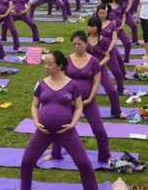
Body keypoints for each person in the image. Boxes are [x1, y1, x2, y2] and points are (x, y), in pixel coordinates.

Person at [9, 50, 106, 190]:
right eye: (45, 64)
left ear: (60, 66)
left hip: (66, 132)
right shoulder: (40, 84)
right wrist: (36, 121)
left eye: (49, 64)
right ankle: (24, 188)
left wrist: (73, 124)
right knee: (27, 161)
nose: (46, 67)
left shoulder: (72, 85)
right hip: (44, 132)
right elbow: (34, 106)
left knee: (83, 163)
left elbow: (79, 107)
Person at [47, 31, 112, 164]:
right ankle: (55, 153)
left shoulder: (93, 61)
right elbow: (61, 79)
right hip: (69, 100)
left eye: (79, 44)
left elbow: (97, 82)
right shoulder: (67, 60)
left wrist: (90, 98)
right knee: (60, 126)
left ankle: (105, 155)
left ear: (86, 44)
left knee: (99, 129)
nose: (76, 46)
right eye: (74, 44)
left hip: (88, 100)